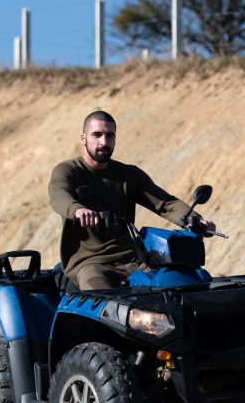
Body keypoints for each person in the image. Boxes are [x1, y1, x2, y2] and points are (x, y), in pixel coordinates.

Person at [48, 110, 215, 290]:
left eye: (109, 135)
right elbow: (58, 194)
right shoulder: (68, 170)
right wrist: (77, 210)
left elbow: (165, 203)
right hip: (91, 262)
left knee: (180, 284)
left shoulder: (129, 174)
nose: (104, 142)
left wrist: (195, 220)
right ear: (83, 138)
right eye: (96, 135)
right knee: (103, 301)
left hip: (134, 259)